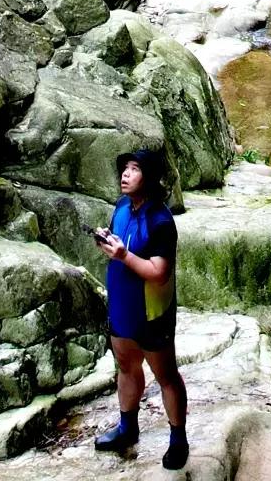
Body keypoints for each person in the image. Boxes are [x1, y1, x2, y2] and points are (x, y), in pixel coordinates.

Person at [93, 148, 188, 468]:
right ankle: (127, 428)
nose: (125, 175)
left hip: (151, 312)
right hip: (122, 306)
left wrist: (121, 256)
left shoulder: (160, 220)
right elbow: (122, 243)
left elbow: (159, 272)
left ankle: (178, 439)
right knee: (125, 366)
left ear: (148, 177)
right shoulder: (121, 207)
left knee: (166, 375)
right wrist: (107, 241)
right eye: (124, 169)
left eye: (134, 169)